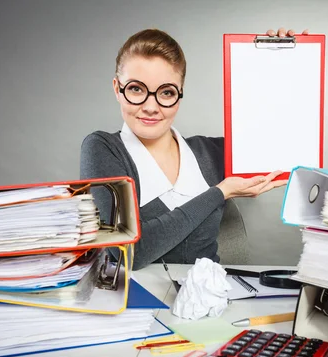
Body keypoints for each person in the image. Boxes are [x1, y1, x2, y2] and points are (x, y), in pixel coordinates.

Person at [80, 27, 308, 270]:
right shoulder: (103, 148)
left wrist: (284, 63)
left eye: (166, 92)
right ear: (117, 88)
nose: (150, 106)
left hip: (211, 300)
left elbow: (286, 140)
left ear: (179, 95)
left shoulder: (209, 153)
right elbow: (130, 251)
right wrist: (219, 193)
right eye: (136, 89)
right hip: (137, 304)